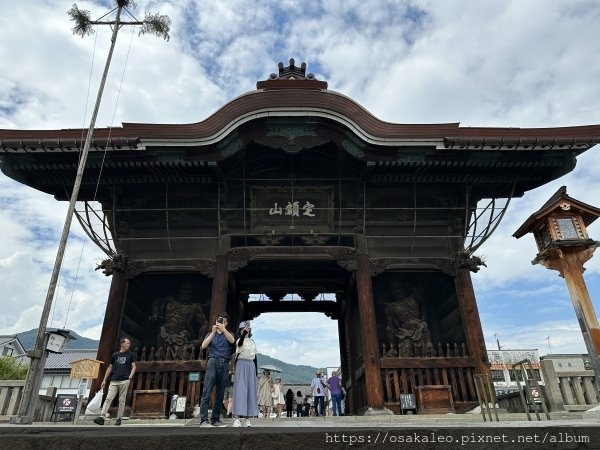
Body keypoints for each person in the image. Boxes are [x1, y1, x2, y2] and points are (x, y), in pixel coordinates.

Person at [198, 312, 235, 427]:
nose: (219, 323)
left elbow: (233, 341)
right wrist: (213, 332)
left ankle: (215, 419)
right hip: (213, 361)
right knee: (207, 391)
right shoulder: (210, 333)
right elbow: (203, 346)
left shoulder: (228, 333)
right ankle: (204, 420)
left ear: (226, 323)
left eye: (222, 321)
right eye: (218, 321)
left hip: (224, 363)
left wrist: (224, 330)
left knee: (220, 393)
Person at [94, 337, 136, 426]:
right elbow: (110, 367)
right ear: (122, 344)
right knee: (109, 398)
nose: (129, 345)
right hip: (114, 380)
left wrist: (130, 377)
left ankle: (119, 418)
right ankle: (101, 416)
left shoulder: (130, 355)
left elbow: (134, 366)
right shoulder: (115, 355)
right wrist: (104, 380)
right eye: (127, 343)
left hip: (124, 380)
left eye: (129, 343)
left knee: (121, 399)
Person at [231, 321, 259, 427]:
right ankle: (236, 418)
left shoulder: (252, 342)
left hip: (250, 365)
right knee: (240, 390)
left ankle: (247, 418)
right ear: (241, 330)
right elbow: (240, 344)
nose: (246, 331)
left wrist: (255, 372)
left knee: (250, 391)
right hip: (241, 364)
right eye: (244, 329)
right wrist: (243, 335)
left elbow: (255, 358)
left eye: (248, 329)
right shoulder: (239, 339)